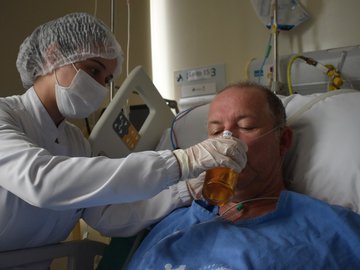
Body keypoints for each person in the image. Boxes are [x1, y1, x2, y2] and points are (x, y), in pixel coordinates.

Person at [0, 12, 249, 265]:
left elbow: (107, 216)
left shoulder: (75, 142)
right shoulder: (5, 116)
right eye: (93, 70)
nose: (99, 86)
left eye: (106, 79)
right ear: (52, 55)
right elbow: (42, 181)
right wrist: (183, 161)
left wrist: (185, 190)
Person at [126, 82, 360, 269]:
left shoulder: (332, 231)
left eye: (246, 127)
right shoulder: (175, 220)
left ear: (283, 141)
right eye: (216, 132)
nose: (227, 143)